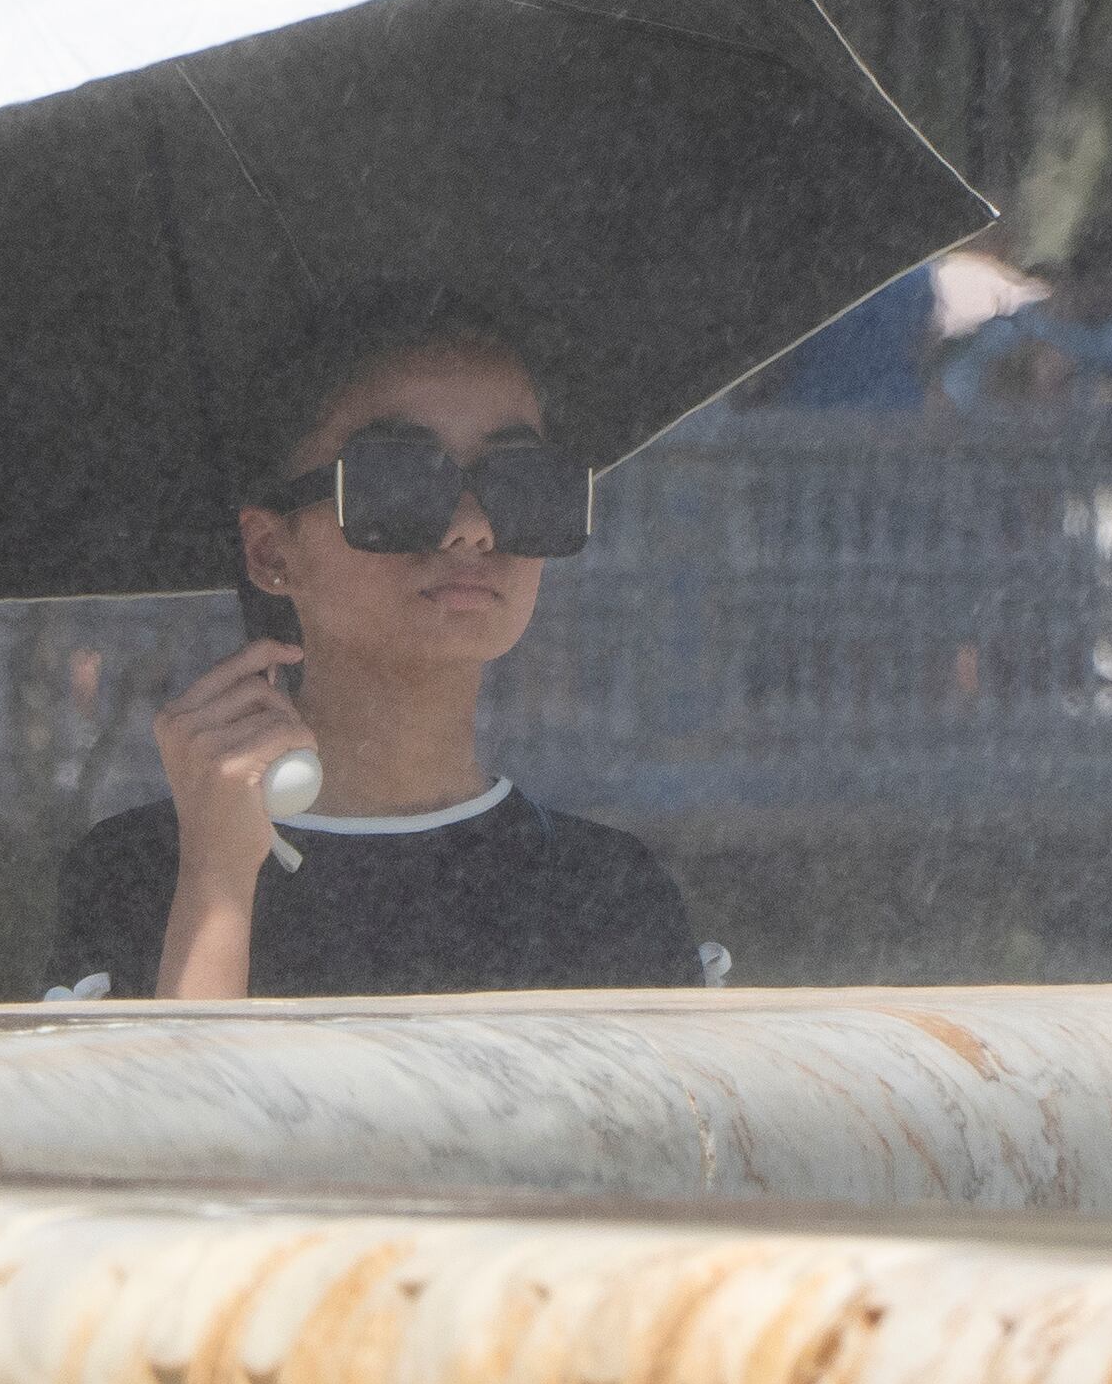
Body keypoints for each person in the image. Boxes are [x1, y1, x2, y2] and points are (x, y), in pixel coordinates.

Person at [46, 294, 704, 1000]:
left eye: (523, 482)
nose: (472, 529)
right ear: (271, 552)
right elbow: (186, 1112)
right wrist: (216, 884)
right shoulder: (145, 872)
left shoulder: (605, 890)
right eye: (399, 480)